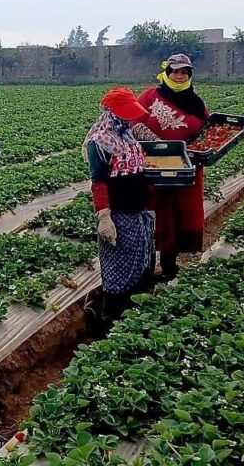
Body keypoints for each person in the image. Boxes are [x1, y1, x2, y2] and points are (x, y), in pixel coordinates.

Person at [131, 53, 209, 280]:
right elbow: (133, 122)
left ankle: (169, 267)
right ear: (166, 73)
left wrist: (186, 152)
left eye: (184, 72)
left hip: (184, 169)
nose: (178, 76)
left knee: (176, 216)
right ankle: (146, 266)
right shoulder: (149, 97)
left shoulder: (197, 105)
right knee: (151, 214)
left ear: (189, 75)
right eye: (174, 71)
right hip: (151, 167)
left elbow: (206, 133)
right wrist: (160, 146)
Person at [84, 87, 156, 318]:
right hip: (119, 216)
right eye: (125, 113)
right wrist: (104, 217)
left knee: (141, 265)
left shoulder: (127, 135)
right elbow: (99, 181)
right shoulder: (100, 142)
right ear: (111, 112)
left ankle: (135, 313)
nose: (130, 117)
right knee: (119, 270)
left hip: (137, 211)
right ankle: (113, 319)